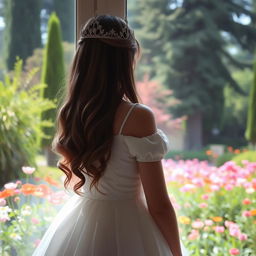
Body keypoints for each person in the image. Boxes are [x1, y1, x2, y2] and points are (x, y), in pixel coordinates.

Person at [32, 14, 189, 256]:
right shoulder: (137, 117)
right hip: (130, 228)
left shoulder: (72, 113)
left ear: (82, 61)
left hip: (80, 223)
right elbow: (159, 206)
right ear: (125, 61)